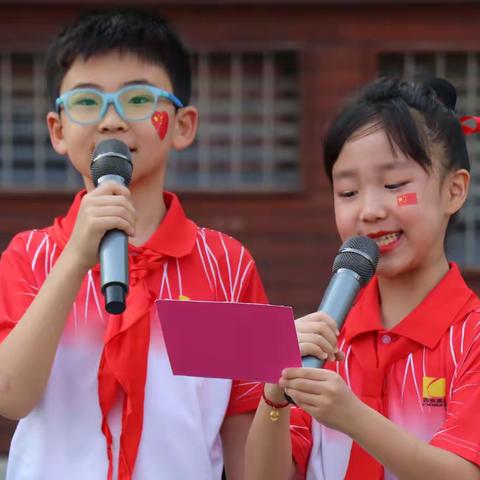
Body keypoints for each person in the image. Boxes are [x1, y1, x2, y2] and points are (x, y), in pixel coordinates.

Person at [0, 8, 267, 480]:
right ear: (58, 131)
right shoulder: (30, 255)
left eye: (137, 99)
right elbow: (10, 396)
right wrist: (76, 259)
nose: (111, 120)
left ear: (183, 124)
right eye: (86, 102)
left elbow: (245, 435)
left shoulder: (227, 264)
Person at [245, 77, 480, 479]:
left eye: (394, 185)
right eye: (348, 192)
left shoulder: (471, 336)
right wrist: (274, 397)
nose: (369, 210)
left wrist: (353, 417)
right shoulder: (327, 336)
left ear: (454, 191)